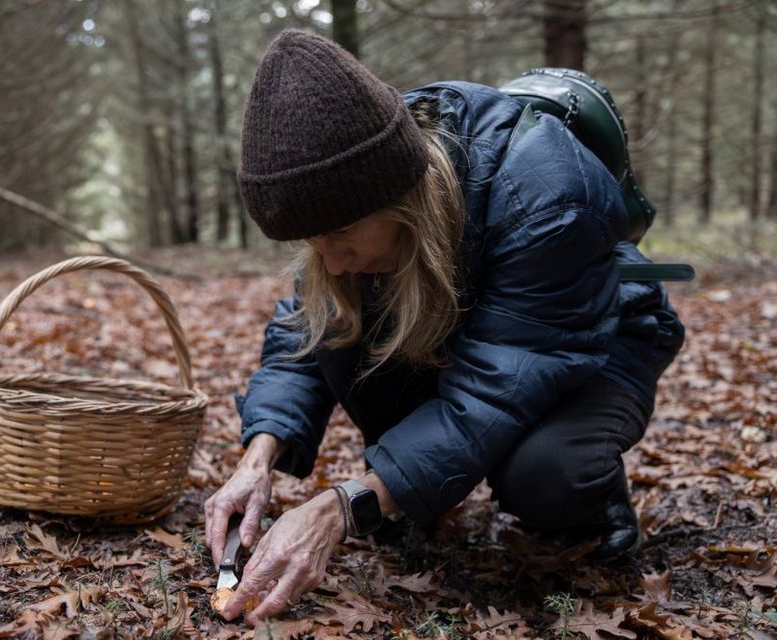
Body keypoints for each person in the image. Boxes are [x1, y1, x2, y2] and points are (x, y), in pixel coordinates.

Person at [204, 29, 685, 626]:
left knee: (545, 472)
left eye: (340, 240)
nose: (328, 262)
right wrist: (259, 455)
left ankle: (595, 513)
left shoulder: (549, 197)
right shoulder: (352, 184)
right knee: (338, 335)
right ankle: (411, 486)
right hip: (477, 333)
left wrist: (345, 506)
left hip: (593, 338)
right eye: (311, 244)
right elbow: (300, 339)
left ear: (399, 202)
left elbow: (496, 388)